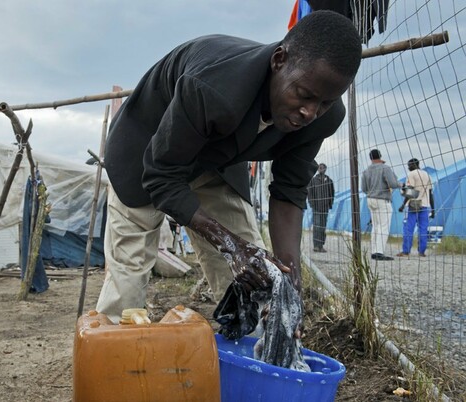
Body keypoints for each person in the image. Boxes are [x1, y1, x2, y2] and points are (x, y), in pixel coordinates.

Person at [96, 10, 362, 324]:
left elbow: (290, 190)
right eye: (304, 95)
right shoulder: (214, 86)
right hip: (146, 153)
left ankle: (245, 354)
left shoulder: (322, 118)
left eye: (325, 102)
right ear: (279, 60)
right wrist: (228, 244)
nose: (310, 112)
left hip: (217, 161)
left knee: (256, 277)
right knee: (129, 274)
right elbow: (162, 175)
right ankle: (111, 356)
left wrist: (290, 282)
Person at [361, 149, 403, 261]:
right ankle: (379, 252)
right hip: (382, 199)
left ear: (370, 158)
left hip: (370, 199)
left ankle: (374, 251)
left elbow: (363, 189)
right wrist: (401, 184)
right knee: (384, 226)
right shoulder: (385, 168)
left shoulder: (365, 171)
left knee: (375, 226)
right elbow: (393, 184)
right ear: (380, 156)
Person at [397, 158, 435, 257]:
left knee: (408, 228)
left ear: (414, 164)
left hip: (412, 205)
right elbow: (430, 193)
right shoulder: (428, 175)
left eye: (409, 165)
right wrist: (433, 209)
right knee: (423, 229)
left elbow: (410, 191)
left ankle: (406, 251)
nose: (408, 167)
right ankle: (421, 252)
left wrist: (402, 205)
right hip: (425, 205)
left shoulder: (412, 174)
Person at [307, 163, 335, 252]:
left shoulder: (329, 180)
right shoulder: (313, 180)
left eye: (323, 168)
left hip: (325, 207)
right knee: (317, 226)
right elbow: (310, 193)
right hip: (316, 207)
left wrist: (330, 204)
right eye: (320, 168)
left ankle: (321, 245)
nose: (321, 169)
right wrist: (312, 204)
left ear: (325, 169)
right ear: (318, 169)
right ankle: (316, 245)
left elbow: (332, 193)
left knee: (323, 226)